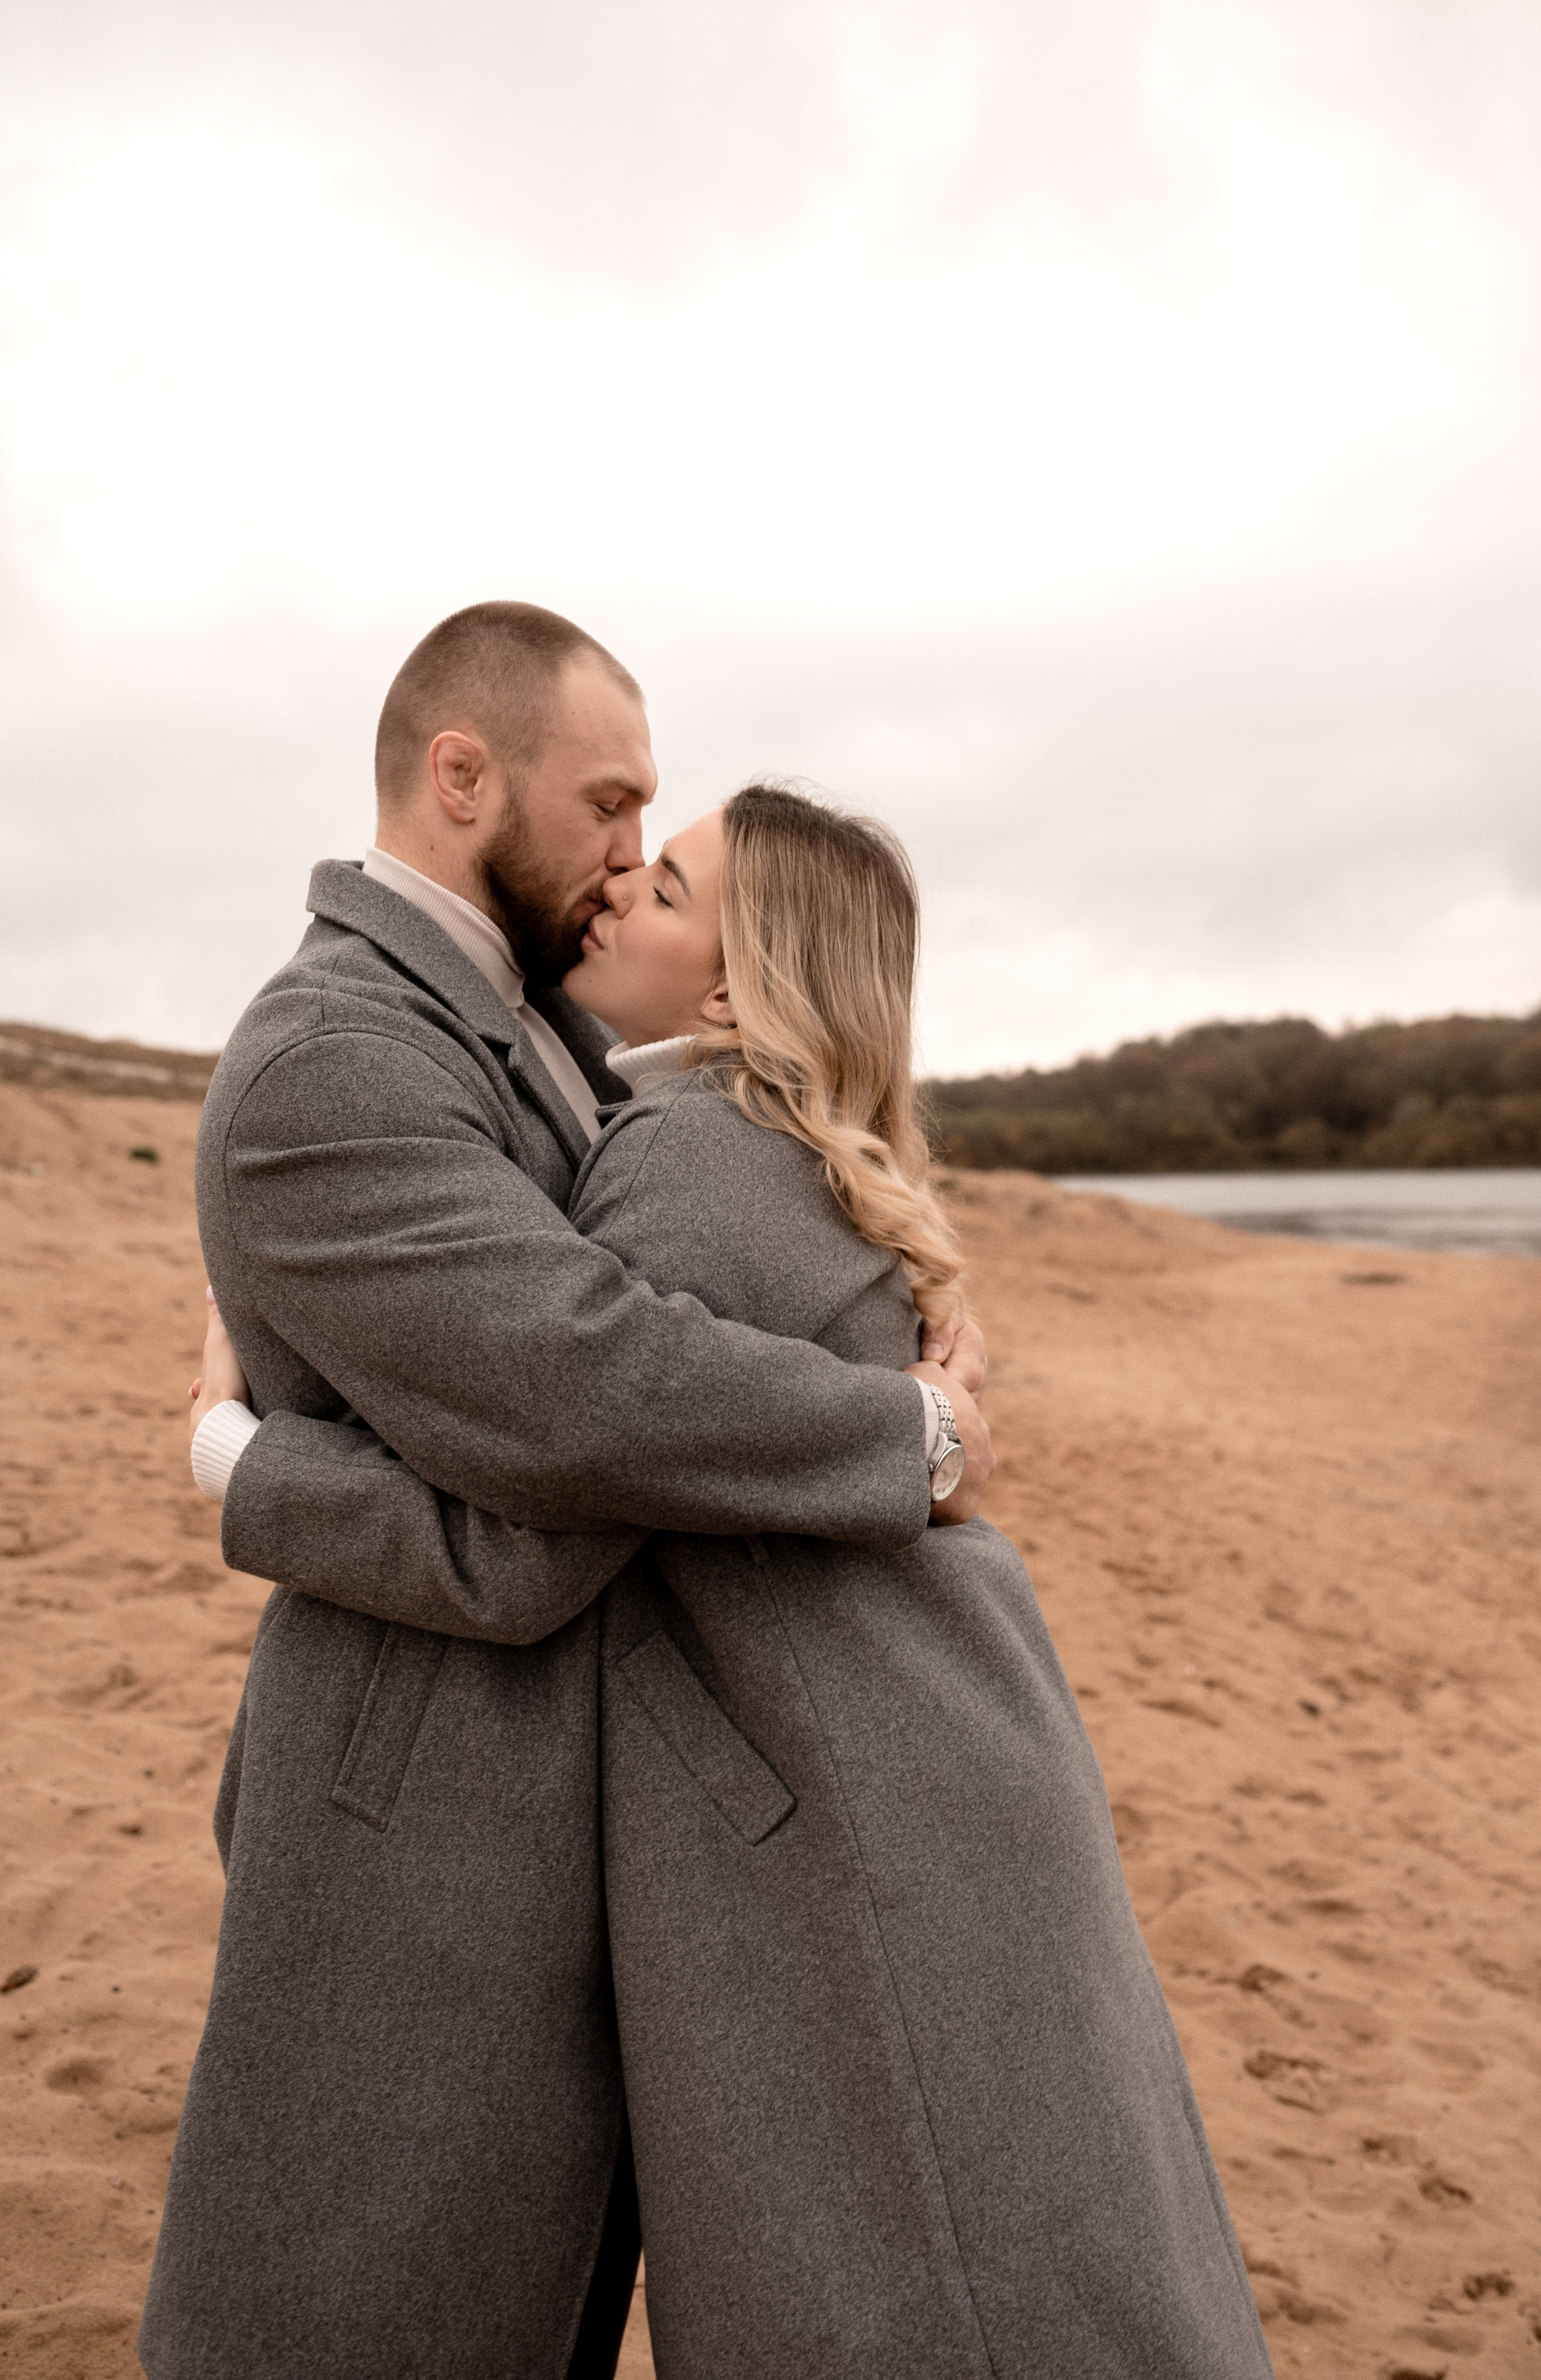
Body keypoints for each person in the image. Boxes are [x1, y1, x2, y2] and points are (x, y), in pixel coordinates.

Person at [178, 783, 1274, 2377]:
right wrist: (920, 1435)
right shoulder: (748, 1142)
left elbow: (527, 1539)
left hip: (861, 1793)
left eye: (667, 882)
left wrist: (239, 1458)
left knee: (937, 2293)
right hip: (913, 1757)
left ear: (730, 991)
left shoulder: (688, 1164)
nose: (618, 885)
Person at [139, 604, 994, 2380]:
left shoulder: (512, 1023)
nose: (625, 856)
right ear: (464, 775)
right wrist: (895, 1435)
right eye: (610, 804)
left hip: (535, 1825)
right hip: (416, 1843)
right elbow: (586, 1405)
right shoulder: (335, 1062)